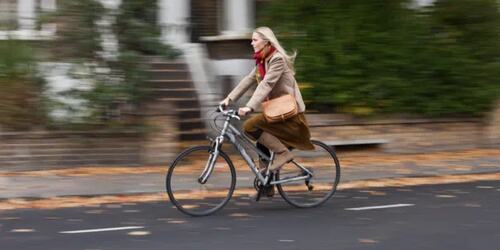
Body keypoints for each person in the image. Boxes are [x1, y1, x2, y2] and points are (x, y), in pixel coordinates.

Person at [220, 26, 314, 175]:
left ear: (266, 42)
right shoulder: (262, 60)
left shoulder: (277, 59)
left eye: (255, 40)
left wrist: (249, 107)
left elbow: (266, 85)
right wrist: (228, 98)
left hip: (290, 112)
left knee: (250, 126)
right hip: (277, 110)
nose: (251, 43)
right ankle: (266, 185)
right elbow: (248, 80)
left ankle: (283, 153)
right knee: (261, 143)